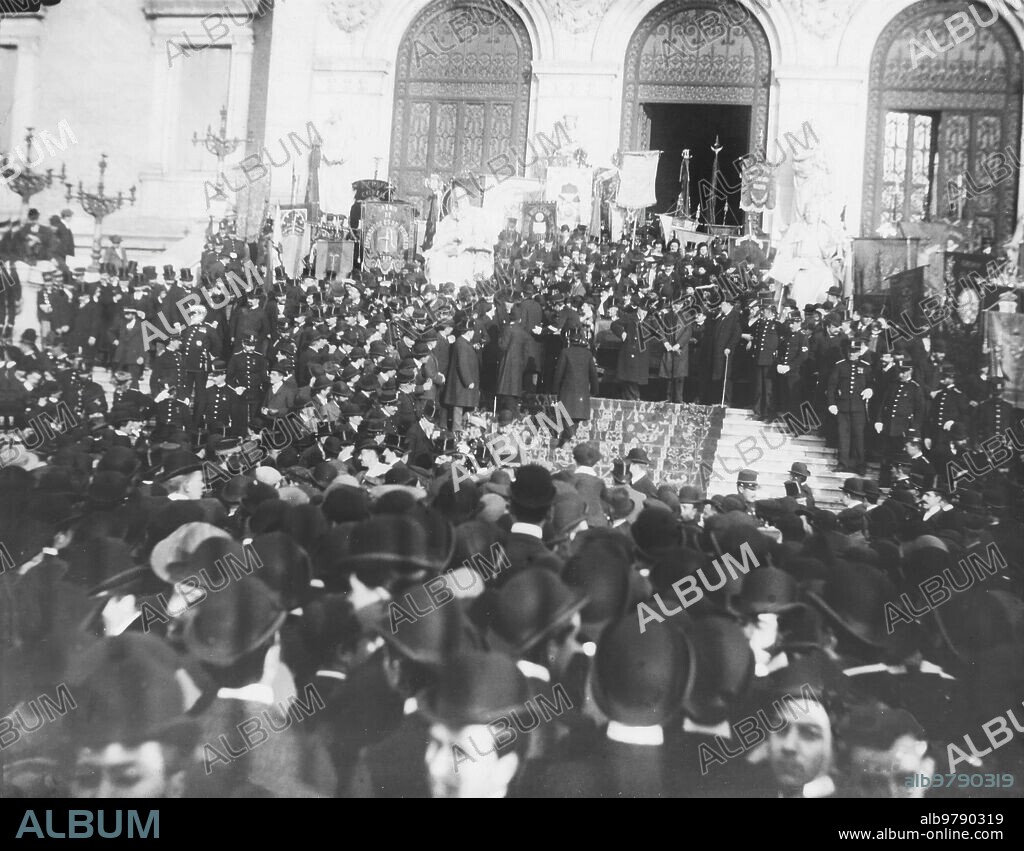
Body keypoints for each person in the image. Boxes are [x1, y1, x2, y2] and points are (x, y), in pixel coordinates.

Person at [827, 337, 874, 475]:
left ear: (859, 352)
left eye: (855, 351)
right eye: (850, 351)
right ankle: (843, 463)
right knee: (843, 436)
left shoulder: (866, 366)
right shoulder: (840, 365)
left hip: (859, 408)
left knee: (859, 436)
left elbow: (872, 382)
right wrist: (831, 404)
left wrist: (870, 389)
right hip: (842, 407)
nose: (852, 354)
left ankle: (860, 465)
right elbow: (831, 386)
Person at [551, 328, 599, 446]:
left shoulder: (565, 352)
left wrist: (554, 391)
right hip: (582, 394)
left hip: (567, 393)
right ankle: (569, 442)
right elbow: (594, 375)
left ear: (570, 341)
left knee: (567, 420)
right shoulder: (588, 354)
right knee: (575, 420)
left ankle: (568, 441)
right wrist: (594, 391)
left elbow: (559, 374)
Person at [444, 318, 479, 432]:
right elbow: (462, 364)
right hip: (461, 383)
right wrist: (468, 381)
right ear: (469, 331)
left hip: (460, 383)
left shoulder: (463, 343)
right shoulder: (462, 344)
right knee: (458, 408)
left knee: (461, 407)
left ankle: (460, 429)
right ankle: (456, 431)